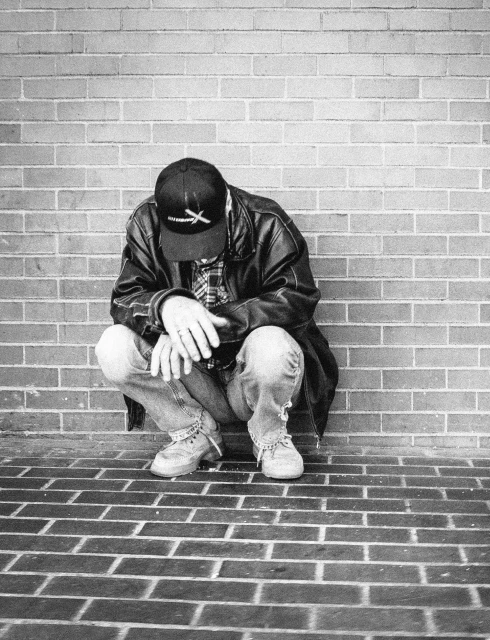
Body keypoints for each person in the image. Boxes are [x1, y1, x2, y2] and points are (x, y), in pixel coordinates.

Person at [95, 158, 338, 480]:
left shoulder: (267, 221)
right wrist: (166, 309)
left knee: (273, 344)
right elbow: (125, 299)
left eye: (207, 238)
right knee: (113, 346)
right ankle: (194, 435)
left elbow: (295, 301)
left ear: (225, 204)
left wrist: (198, 324)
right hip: (190, 378)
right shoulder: (146, 221)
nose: (199, 253)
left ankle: (271, 438)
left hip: (247, 374)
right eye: (185, 242)